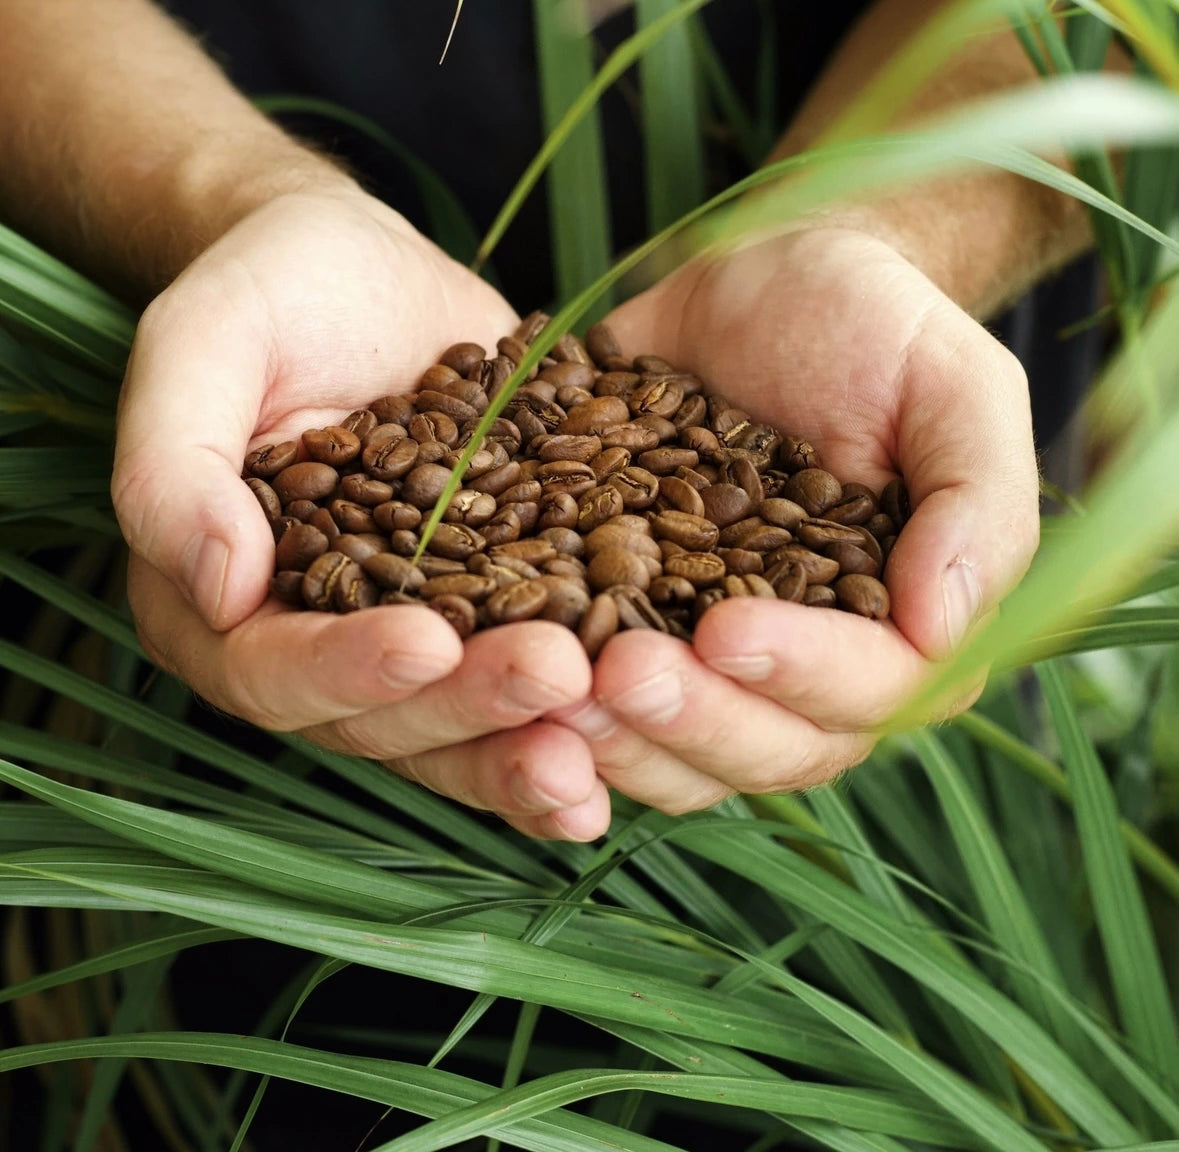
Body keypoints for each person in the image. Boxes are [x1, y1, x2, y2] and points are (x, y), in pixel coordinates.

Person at [0, 0, 1097, 841]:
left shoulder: (754, 491)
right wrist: (220, 198)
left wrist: (875, 225)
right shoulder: (418, 481)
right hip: (164, 744)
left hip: (917, 748)